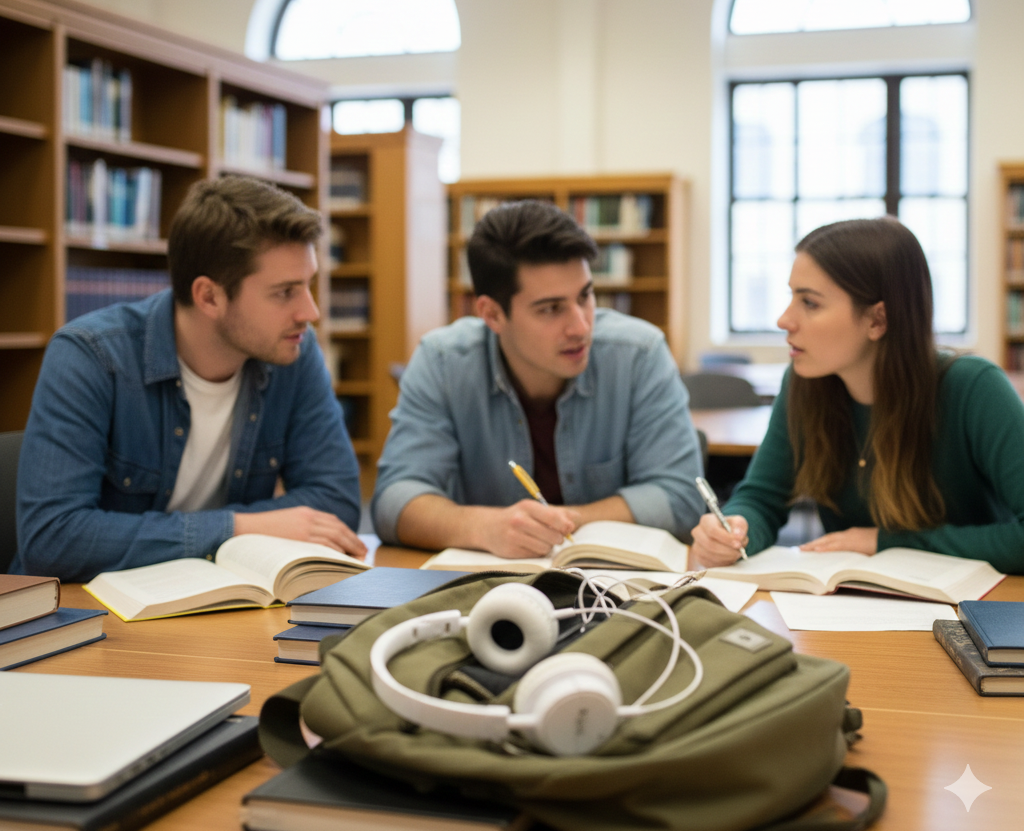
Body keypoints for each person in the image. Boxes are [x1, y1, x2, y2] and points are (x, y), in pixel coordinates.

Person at [12, 175, 365, 581]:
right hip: (85, 614)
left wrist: (185, 536)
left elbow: (336, 503)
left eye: (309, 285)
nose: (310, 311)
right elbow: (52, 539)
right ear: (209, 296)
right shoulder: (91, 357)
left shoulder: (294, 351)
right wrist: (238, 528)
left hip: (213, 602)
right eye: (285, 292)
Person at [691, 216, 1024, 575]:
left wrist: (887, 542)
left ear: (878, 320)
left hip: (971, 614)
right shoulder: (804, 383)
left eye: (810, 303)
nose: (784, 319)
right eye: (792, 297)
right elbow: (761, 498)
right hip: (852, 607)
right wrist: (734, 531)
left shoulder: (974, 388)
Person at [371, 199, 704, 557]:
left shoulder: (639, 354)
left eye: (585, 296)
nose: (580, 327)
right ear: (492, 314)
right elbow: (394, 500)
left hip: (618, 592)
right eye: (551, 309)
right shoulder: (442, 362)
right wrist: (486, 528)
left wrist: (561, 522)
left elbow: (682, 497)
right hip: (484, 594)